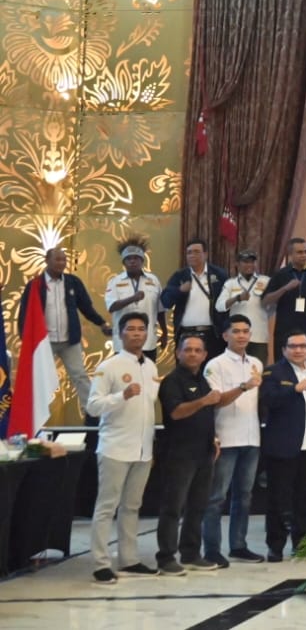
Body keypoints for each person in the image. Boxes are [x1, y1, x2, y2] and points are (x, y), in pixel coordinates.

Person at [86, 312, 161, 585]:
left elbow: (148, 408)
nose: (137, 333)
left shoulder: (151, 367)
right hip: (115, 447)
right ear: (121, 333)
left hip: (142, 449)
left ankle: (129, 559)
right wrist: (122, 396)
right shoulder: (109, 366)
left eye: (142, 329)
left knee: (132, 506)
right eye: (131, 329)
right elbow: (93, 406)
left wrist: (149, 445)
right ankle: (100, 563)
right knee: (107, 507)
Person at [152, 332, 220, 576]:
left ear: (204, 355)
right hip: (179, 453)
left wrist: (213, 439)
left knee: (198, 506)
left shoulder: (202, 380)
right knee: (173, 506)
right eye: (188, 349)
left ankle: (190, 553)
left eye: (197, 350)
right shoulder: (172, 381)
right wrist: (203, 401)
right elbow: (176, 413)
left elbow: (207, 414)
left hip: (204, 451)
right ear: (178, 353)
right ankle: (166, 557)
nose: (192, 354)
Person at [202, 315, 266, 567]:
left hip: (251, 437)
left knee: (245, 496)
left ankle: (238, 545)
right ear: (225, 335)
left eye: (246, 331)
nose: (242, 336)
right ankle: (212, 549)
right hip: (226, 437)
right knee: (217, 497)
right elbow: (215, 401)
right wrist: (243, 387)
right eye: (236, 331)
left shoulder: (256, 363)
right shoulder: (215, 365)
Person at [21, 246, 113, 414]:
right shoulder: (35, 285)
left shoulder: (73, 282)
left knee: (80, 376)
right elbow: (24, 315)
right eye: (57, 259)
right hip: (44, 342)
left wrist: (101, 323)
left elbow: (86, 307)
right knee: (39, 380)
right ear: (47, 260)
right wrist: (26, 340)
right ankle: (35, 414)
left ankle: (92, 413)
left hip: (70, 340)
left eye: (64, 260)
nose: (61, 263)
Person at [260, 330, 306, 561]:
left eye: (303, 346)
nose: (298, 350)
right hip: (283, 447)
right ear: (284, 349)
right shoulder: (274, 372)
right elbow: (268, 400)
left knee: (304, 498)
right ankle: (275, 545)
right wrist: (293, 389)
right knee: (278, 499)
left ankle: (302, 543)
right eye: (293, 346)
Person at [162, 238, 229, 358]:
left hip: (213, 335)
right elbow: (165, 302)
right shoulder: (180, 276)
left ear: (206, 254)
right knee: (186, 368)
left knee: (212, 368)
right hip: (185, 333)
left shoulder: (220, 274)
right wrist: (179, 290)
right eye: (189, 252)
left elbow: (227, 305)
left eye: (197, 252)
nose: (192, 255)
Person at [263, 238, 306, 355]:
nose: (304, 255)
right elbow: (265, 300)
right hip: (285, 330)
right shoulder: (280, 274)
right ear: (290, 254)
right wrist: (285, 288)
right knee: (283, 363)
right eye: (300, 252)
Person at [105, 241, 167, 355]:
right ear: (124, 262)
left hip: (148, 341)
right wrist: (132, 298)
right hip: (123, 343)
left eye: (136, 258)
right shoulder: (115, 282)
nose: (132, 261)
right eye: (128, 259)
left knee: (148, 366)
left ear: (142, 261)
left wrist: (165, 333)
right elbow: (112, 306)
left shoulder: (153, 280)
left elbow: (160, 310)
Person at [219, 249, 270, 362]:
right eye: (246, 262)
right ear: (237, 264)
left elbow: (273, 307)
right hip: (237, 337)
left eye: (252, 262)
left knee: (257, 370)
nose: (249, 265)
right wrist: (237, 298)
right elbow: (220, 306)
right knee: (234, 368)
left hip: (258, 336)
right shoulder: (231, 283)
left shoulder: (266, 281)